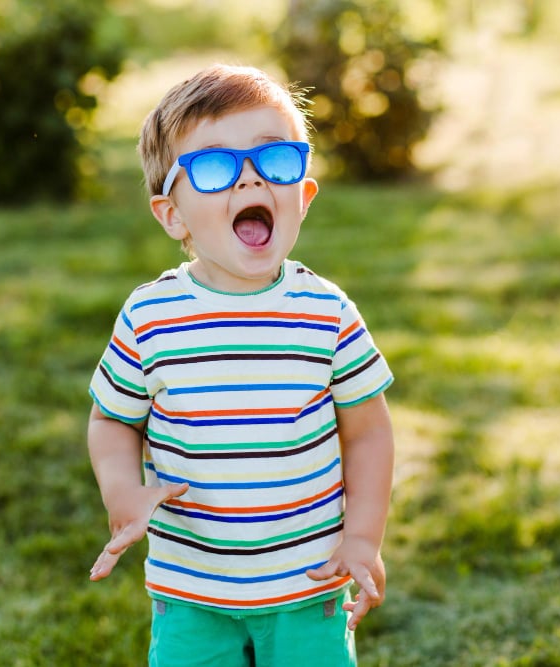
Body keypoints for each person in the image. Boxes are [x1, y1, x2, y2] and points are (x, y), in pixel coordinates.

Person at [86, 63, 395, 667]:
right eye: (214, 166)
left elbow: (369, 431)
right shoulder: (150, 316)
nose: (249, 178)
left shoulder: (326, 312)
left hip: (310, 585)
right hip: (193, 591)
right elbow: (112, 420)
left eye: (274, 159)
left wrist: (362, 535)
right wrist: (123, 491)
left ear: (302, 196)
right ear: (172, 215)